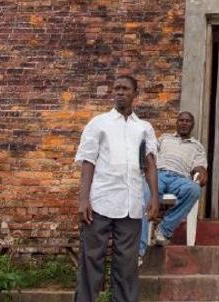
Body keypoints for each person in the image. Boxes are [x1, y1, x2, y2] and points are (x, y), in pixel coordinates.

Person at [73, 75, 160, 302]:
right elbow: (88, 161)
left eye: (125, 88)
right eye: (117, 88)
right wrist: (84, 199)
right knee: (91, 260)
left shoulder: (144, 128)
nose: (120, 92)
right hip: (100, 202)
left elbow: (150, 164)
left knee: (127, 265)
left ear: (135, 94)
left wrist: (154, 197)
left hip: (131, 205)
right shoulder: (99, 123)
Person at [139, 111, 207, 259]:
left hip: (181, 178)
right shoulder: (164, 138)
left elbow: (200, 166)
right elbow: (150, 154)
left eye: (187, 121)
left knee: (194, 189)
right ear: (176, 123)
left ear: (192, 125)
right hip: (159, 174)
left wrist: (201, 172)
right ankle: (140, 250)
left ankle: (164, 230)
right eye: (181, 120)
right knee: (145, 194)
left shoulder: (197, 146)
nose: (184, 123)